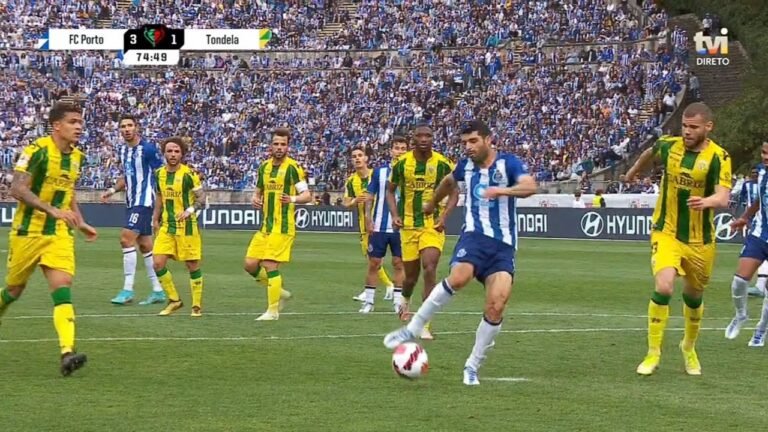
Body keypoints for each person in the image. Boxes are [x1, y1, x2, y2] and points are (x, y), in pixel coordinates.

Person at [383, 120, 537, 385]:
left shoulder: (508, 164)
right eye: (464, 142)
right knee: (459, 277)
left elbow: (530, 187)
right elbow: (447, 182)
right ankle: (413, 328)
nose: (468, 147)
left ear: (488, 140)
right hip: (474, 237)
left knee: (496, 305)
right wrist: (432, 202)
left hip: (503, 246)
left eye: (473, 141)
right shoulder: (465, 166)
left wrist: (502, 190)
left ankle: (472, 366)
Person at [624, 102, 732, 376]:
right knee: (664, 286)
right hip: (666, 231)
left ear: (708, 127)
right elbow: (650, 151)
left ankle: (689, 347)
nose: (686, 131)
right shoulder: (669, 146)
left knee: (694, 296)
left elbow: (723, 197)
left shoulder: (719, 157)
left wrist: (706, 201)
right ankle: (653, 352)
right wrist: (633, 172)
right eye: (684, 125)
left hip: (700, 240)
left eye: (693, 127)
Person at [0, 102, 98, 376]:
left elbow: (68, 193)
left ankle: (67, 352)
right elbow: (17, 188)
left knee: (62, 285)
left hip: (58, 234)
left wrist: (80, 222)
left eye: (80, 122)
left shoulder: (77, 157)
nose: (79, 126)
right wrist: (51, 209)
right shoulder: (36, 151)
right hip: (27, 232)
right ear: (57, 126)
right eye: (73, 122)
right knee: (13, 291)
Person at [386, 124, 458, 340]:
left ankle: (424, 322)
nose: (425, 139)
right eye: (420, 136)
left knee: (430, 267)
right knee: (410, 277)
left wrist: (444, 216)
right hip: (408, 226)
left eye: (429, 135)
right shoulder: (401, 164)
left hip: (431, 225)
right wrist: (395, 214)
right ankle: (405, 298)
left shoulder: (442, 163)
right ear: (413, 139)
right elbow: (390, 191)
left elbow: (455, 193)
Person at [244, 127, 311, 321]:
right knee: (250, 265)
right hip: (266, 226)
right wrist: (255, 199)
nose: (279, 147)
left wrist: (291, 199)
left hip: (283, 227)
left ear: (288, 147)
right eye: (276, 144)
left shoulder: (292, 168)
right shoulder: (264, 167)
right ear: (270, 146)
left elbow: (307, 196)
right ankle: (280, 293)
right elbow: (258, 191)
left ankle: (272, 311)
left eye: (283, 144)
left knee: (269, 264)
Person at [102, 115, 166, 306]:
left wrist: (159, 209)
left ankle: (127, 289)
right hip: (131, 202)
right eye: (123, 126)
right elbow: (127, 176)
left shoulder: (147, 149)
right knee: (146, 246)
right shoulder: (123, 150)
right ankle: (158, 290)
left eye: (130, 125)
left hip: (144, 201)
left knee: (126, 238)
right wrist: (112, 190)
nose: (127, 129)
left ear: (136, 128)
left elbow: (161, 175)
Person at [150, 137, 206, 317]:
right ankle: (175, 300)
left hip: (187, 227)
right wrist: (155, 218)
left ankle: (196, 306)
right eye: (169, 151)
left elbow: (201, 199)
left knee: (192, 265)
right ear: (164, 153)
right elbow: (160, 196)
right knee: (157, 263)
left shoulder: (189, 175)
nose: (173, 154)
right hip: (167, 226)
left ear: (182, 154)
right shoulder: (159, 173)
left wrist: (189, 210)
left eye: (176, 151)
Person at [358, 137, 408, 313]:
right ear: (391, 151)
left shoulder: (411, 171)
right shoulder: (379, 173)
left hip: (400, 227)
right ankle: (369, 301)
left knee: (399, 263)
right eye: (397, 148)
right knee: (374, 263)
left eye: (403, 148)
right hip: (379, 225)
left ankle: (397, 301)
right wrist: (368, 218)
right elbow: (370, 196)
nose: (400, 151)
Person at [726, 143, 768, 344]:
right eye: (763, 152)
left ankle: (761, 330)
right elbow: (760, 200)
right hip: (760, 233)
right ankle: (741, 314)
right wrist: (744, 217)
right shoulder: (761, 173)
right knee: (739, 281)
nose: (765, 157)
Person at [344, 146, 395, 304]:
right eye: (354, 156)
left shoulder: (378, 175)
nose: (357, 158)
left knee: (376, 259)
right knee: (371, 259)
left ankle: (388, 286)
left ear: (366, 158)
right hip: (363, 225)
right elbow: (346, 203)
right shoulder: (351, 181)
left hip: (379, 223)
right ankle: (386, 287)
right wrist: (354, 201)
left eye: (360, 155)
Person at [738, 167, 768, 297]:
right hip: (759, 227)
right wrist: (745, 217)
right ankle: (759, 285)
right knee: (739, 279)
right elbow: (757, 201)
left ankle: (760, 285)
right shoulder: (761, 177)